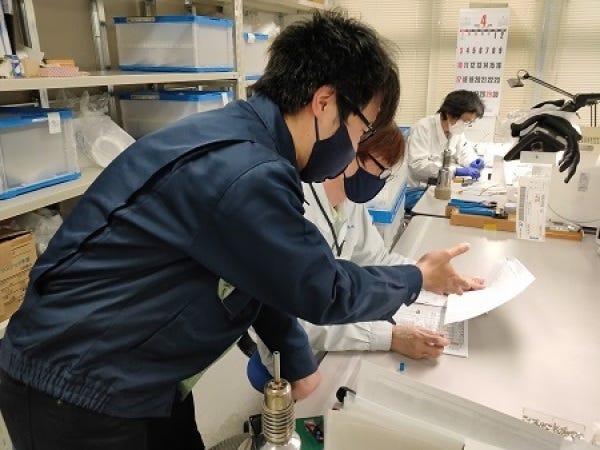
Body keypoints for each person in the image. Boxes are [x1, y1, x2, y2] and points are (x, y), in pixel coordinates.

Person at [0, 11, 478, 450]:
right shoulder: (246, 171)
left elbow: (263, 273)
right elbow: (321, 287)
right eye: (362, 129)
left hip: (135, 374)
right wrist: (417, 277)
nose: (355, 147)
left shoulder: (249, 144)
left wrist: (296, 358)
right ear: (324, 102)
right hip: (74, 385)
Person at [249, 125, 483, 388]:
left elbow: (377, 259)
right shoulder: (294, 207)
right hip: (295, 355)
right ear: (348, 153)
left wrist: (427, 274)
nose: (380, 180)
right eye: (380, 169)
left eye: (386, 174)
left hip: (339, 338)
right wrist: (389, 336)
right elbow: (302, 314)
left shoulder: (350, 202)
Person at [406, 89, 486, 188]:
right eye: (466, 121)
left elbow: (463, 151)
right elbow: (417, 166)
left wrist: (473, 161)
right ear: (450, 115)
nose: (467, 125)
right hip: (420, 187)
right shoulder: (423, 128)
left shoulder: (455, 129)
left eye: (470, 122)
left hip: (443, 184)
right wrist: (455, 171)